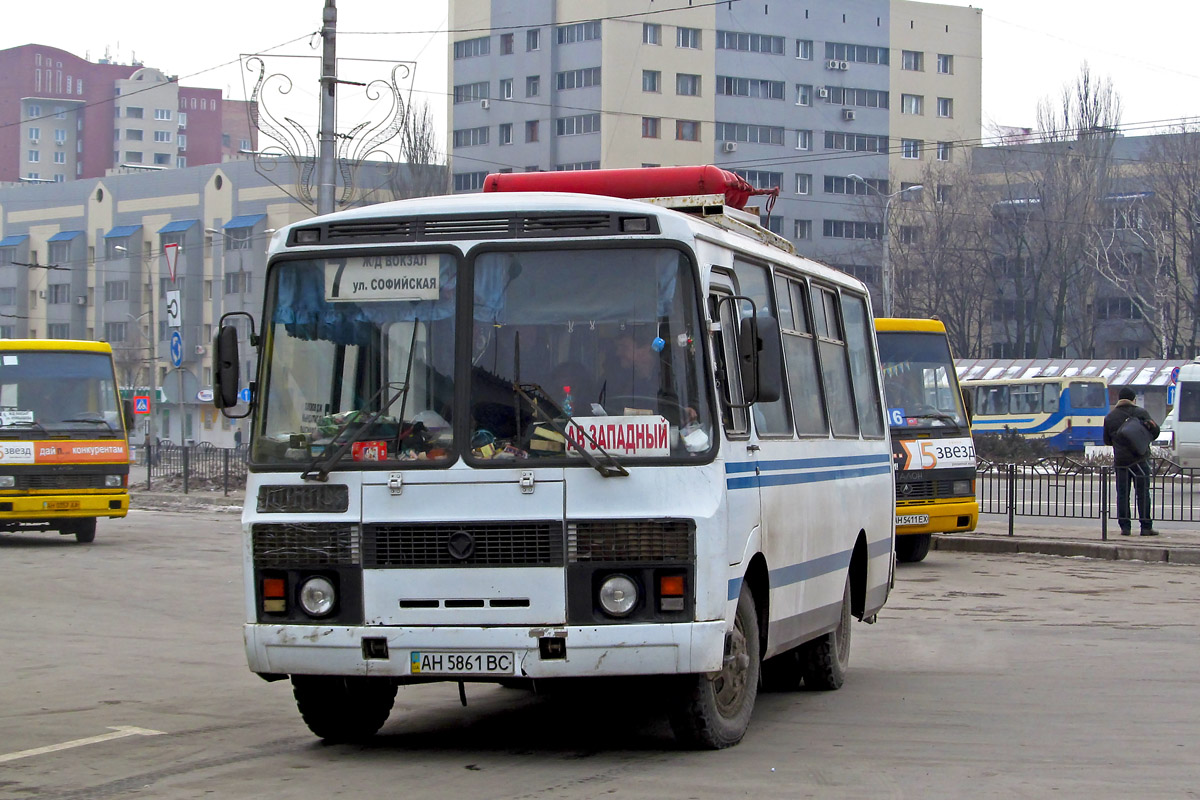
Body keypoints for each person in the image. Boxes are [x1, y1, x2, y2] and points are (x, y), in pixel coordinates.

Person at [1103, 387, 1159, 536]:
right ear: (1133, 399)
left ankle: (1125, 527)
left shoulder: (1110, 417)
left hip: (1121, 462)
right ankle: (1146, 527)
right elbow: (1155, 432)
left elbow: (1107, 440)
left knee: (1122, 494)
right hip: (1140, 460)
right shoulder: (1141, 413)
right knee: (1143, 493)